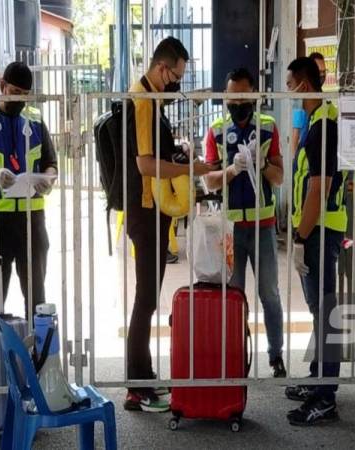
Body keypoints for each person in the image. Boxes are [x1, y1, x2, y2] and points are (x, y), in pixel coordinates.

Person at [123, 36, 214, 413]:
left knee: (147, 297)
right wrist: (189, 168)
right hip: (146, 210)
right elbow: (145, 163)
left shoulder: (151, 99)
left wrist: (177, 153)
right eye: (176, 74)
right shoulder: (143, 101)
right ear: (162, 68)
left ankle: (142, 377)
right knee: (145, 299)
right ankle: (136, 386)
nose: (177, 81)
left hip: (154, 208)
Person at [204, 68, 286, 378]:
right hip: (230, 229)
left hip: (263, 225)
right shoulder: (215, 130)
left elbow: (279, 178)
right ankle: (234, 356)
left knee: (270, 294)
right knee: (233, 296)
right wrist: (232, 170)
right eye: (231, 97)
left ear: (254, 96)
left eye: (242, 96)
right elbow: (209, 182)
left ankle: (276, 356)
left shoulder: (268, 126)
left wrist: (261, 163)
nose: (236, 102)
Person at [284, 57, 348, 426]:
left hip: (319, 231)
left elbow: (318, 189)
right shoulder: (315, 121)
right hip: (316, 230)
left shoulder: (323, 126)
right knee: (318, 310)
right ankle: (316, 377)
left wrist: (299, 237)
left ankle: (326, 397)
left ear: (304, 86)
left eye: (290, 85)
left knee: (325, 314)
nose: (288, 91)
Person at [0, 62, 57, 316]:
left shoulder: (36, 121)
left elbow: (51, 163)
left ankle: (37, 353)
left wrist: (47, 179)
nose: (20, 99)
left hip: (32, 220)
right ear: (2, 86)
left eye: (25, 95)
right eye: (15, 92)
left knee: (37, 298)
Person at [291, 52, 328, 158]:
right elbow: (295, 135)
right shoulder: (302, 98)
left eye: (324, 71)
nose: (322, 75)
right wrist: (294, 165)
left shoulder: (324, 98)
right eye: (318, 71)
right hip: (305, 159)